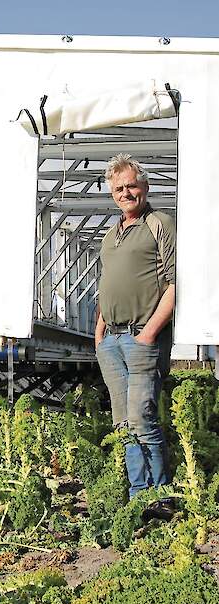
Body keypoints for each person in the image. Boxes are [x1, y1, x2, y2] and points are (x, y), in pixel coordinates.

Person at [95, 153, 176, 497]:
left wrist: (149, 334)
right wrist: (99, 331)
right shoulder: (110, 234)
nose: (125, 193)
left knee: (142, 417)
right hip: (111, 340)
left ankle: (159, 495)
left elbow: (175, 283)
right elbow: (107, 282)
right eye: (118, 188)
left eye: (131, 185)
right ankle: (137, 493)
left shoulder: (159, 223)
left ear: (145, 185)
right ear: (112, 194)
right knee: (123, 423)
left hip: (141, 337)